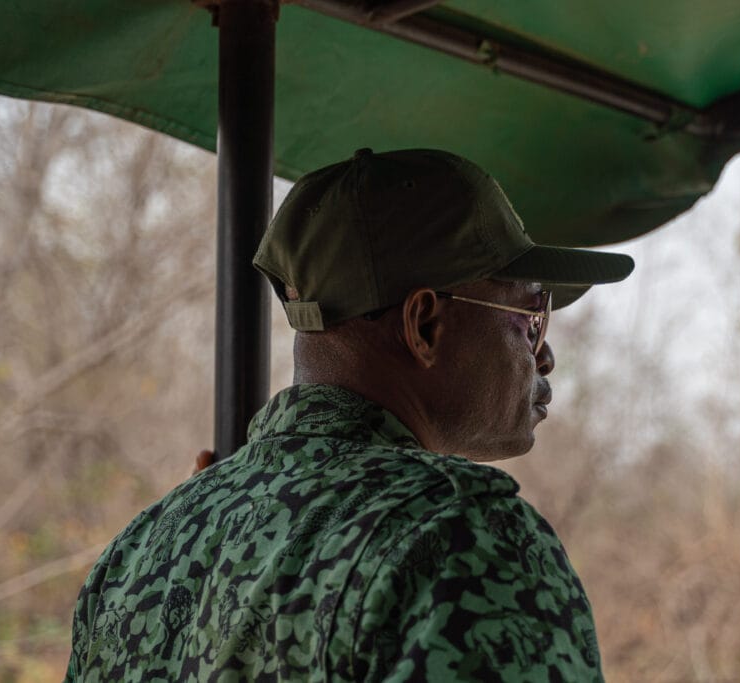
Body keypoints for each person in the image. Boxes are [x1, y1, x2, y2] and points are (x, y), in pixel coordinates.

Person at [65, 148, 634, 681]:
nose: (545, 355)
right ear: (424, 325)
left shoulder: (138, 552)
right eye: (531, 318)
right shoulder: (466, 541)